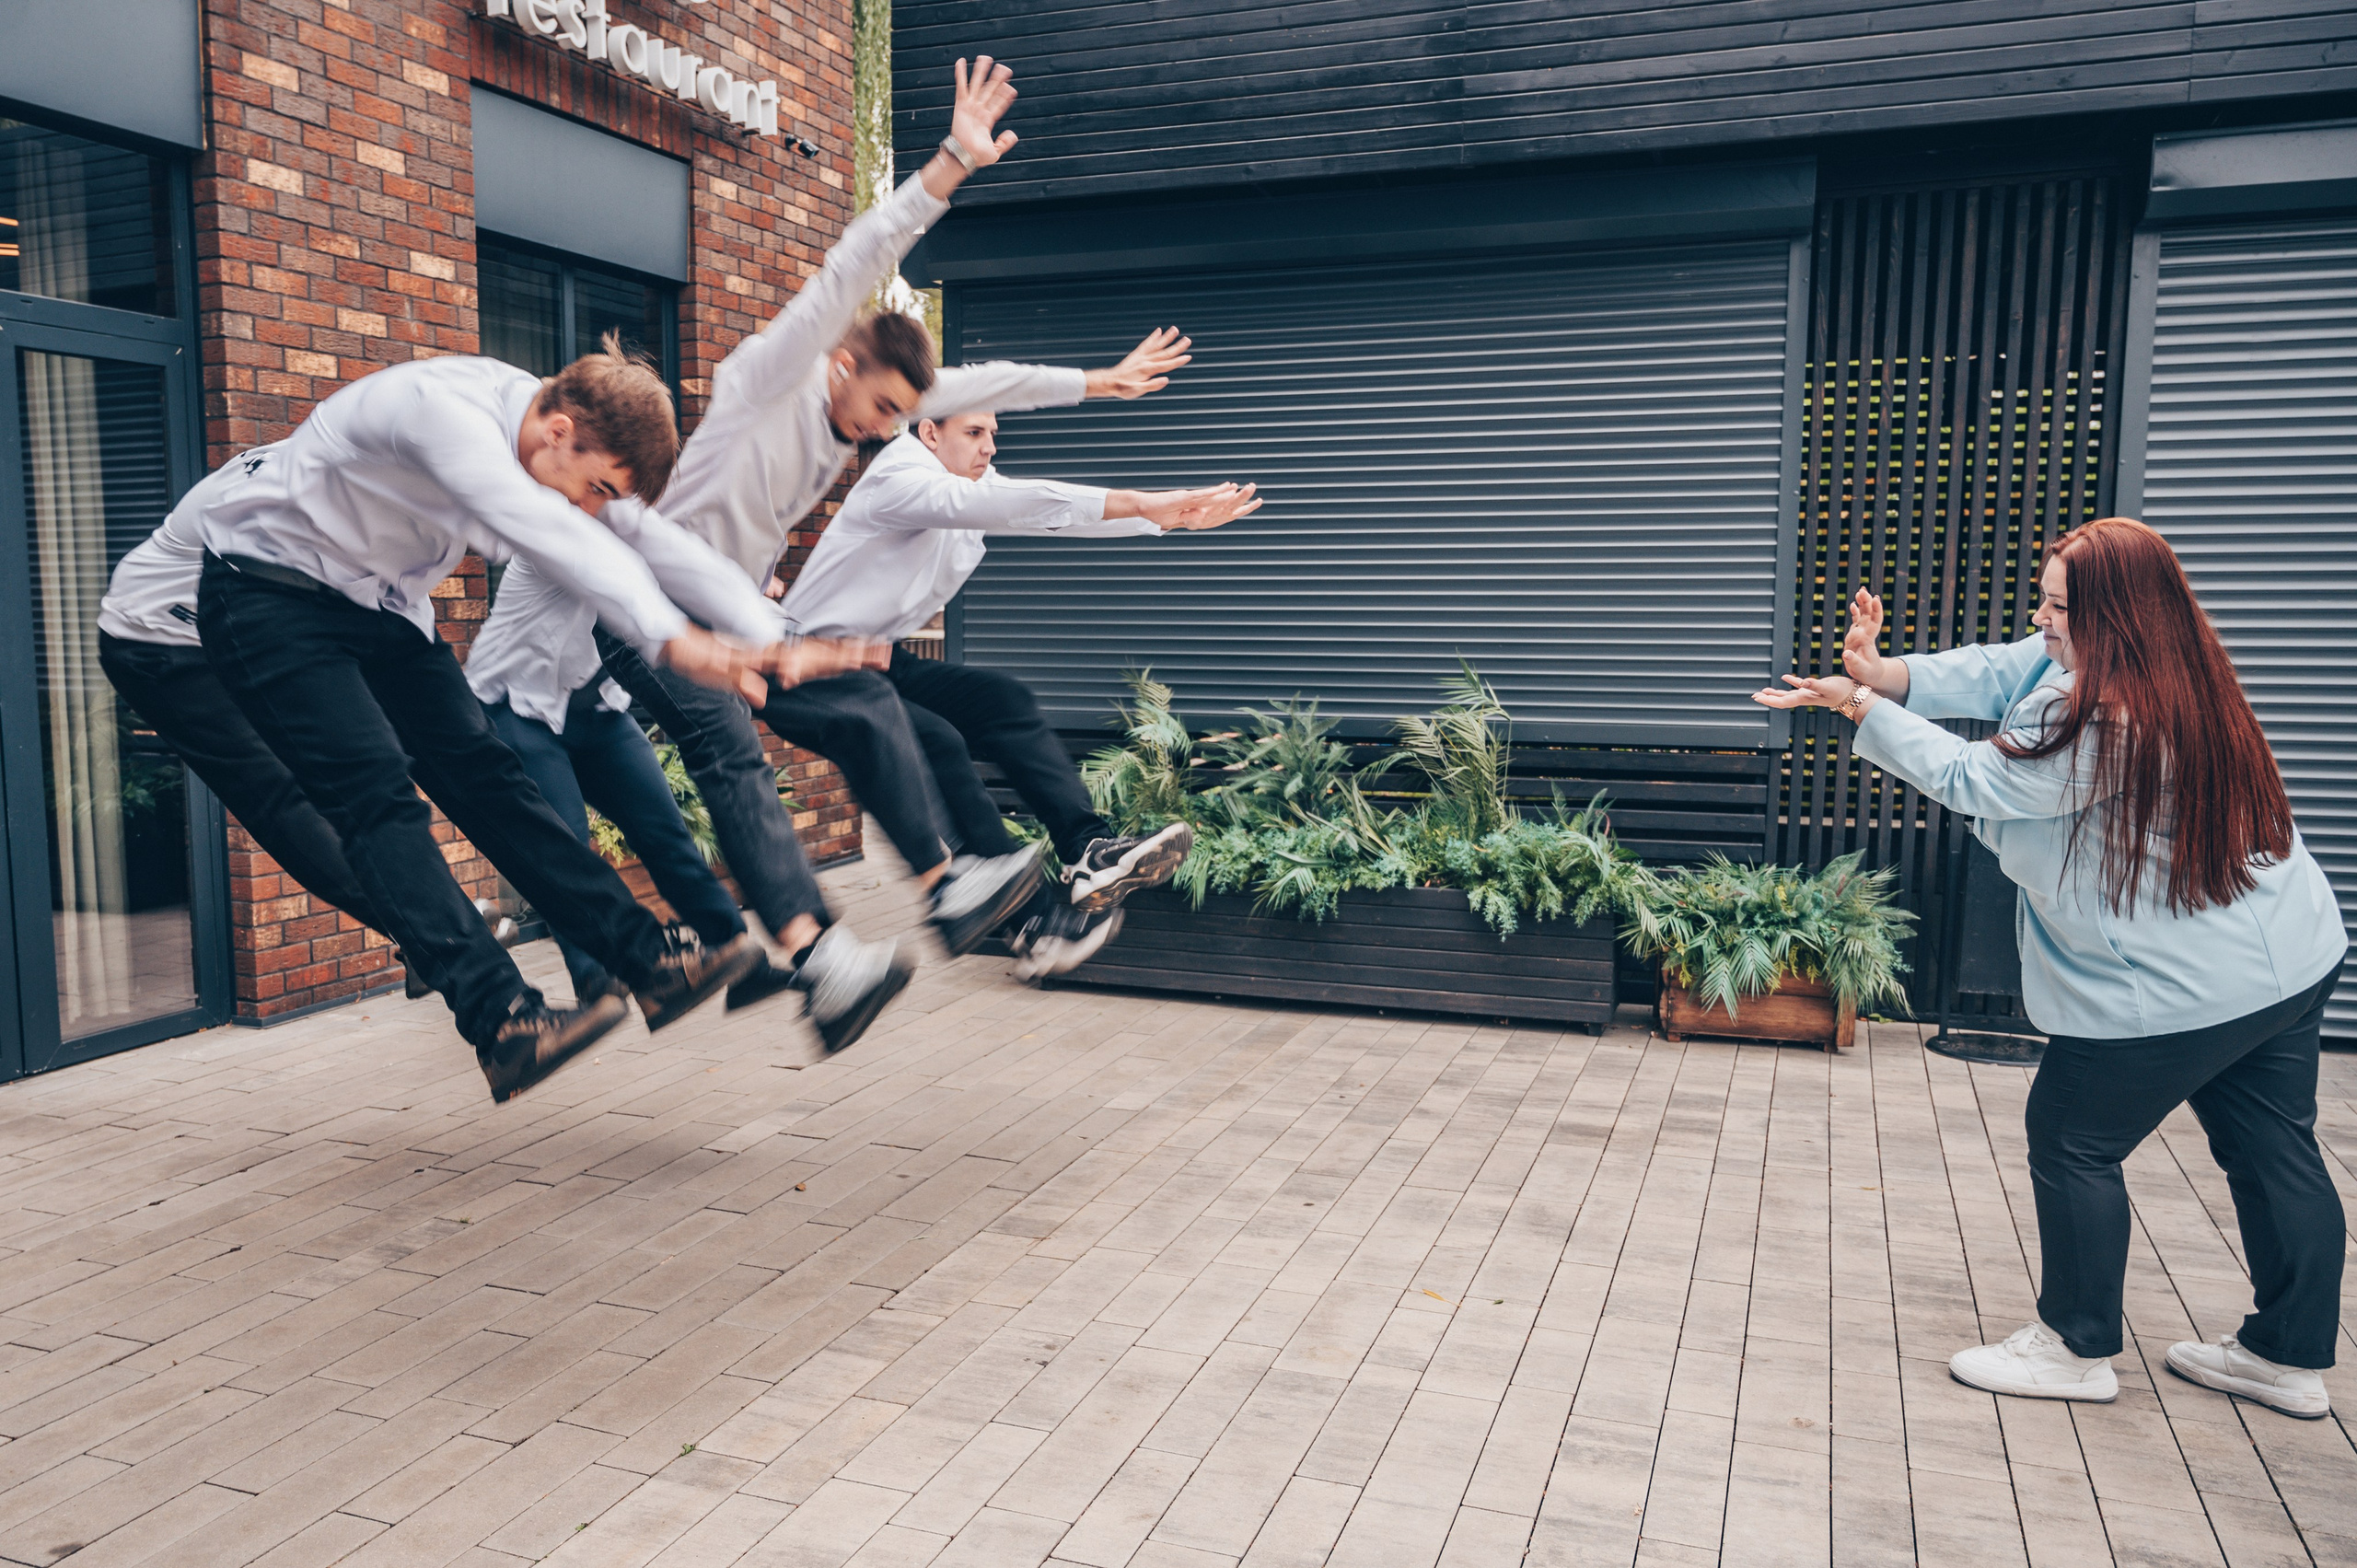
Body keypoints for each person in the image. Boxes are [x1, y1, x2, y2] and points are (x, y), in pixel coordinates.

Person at [591, 55, 1194, 966]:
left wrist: (1096, 383)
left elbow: (987, 383)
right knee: (771, 750)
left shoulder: (870, 422)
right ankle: (857, 925)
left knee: (908, 714)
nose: (879, 430)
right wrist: (949, 165)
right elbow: (856, 260)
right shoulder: (773, 380)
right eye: (880, 410)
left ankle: (974, 893)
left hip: (753, 621)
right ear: (843, 367)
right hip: (662, 615)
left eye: (897, 417)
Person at [1756, 517, 2348, 1419]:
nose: (2041, 617)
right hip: (2287, 949)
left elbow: (1976, 780)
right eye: (2043, 595)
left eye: (2058, 604)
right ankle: (2288, 1356)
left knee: (2071, 1137)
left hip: (2185, 979)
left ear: (2113, 614)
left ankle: (2075, 1347)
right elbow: (2007, 664)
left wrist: (1860, 706)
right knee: (2273, 1147)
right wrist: (1893, 673)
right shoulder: (2176, 660)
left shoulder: (2101, 713)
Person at [193, 340, 834, 1102]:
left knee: (490, 778)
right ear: (559, 430)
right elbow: (544, 528)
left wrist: (774, 638)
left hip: (379, 607)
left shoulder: (551, 435)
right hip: (265, 593)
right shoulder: (445, 414)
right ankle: (503, 1023)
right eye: (594, 487)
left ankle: (649, 961)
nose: (591, 508)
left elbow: (651, 541)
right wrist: (674, 637)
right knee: (378, 800)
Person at [782, 408, 1261, 975]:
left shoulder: (972, 484)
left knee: (1000, 700)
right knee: (936, 740)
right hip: (803, 664)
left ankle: (1090, 850)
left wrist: (1166, 521)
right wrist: (1141, 500)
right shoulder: (899, 478)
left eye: (993, 435)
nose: (988, 448)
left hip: (877, 656)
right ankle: (1031, 924)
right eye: (974, 433)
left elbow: (1054, 515)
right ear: (930, 432)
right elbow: (1017, 504)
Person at [99, 446, 524, 1002]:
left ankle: (430, 934)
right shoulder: (303, 499)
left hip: (233, 639)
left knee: (358, 779)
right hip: (159, 642)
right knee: (283, 794)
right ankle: (437, 932)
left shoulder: (360, 487)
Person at [467, 549, 907, 1054]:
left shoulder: (643, 542)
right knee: (565, 850)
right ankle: (601, 986)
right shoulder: (561, 537)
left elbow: (698, 594)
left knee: (667, 832)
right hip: (517, 707)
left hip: (598, 712)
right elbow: (657, 605)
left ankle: (736, 957)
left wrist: (784, 624)